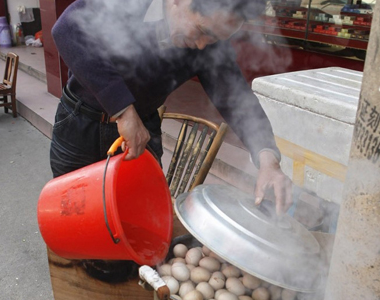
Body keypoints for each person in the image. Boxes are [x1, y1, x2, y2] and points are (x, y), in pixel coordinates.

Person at [50, 0, 293, 281]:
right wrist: (123, 111)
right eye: (202, 31)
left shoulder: (206, 42)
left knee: (137, 230)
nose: (203, 46)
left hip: (140, 135)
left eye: (214, 39)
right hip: (81, 124)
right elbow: (66, 29)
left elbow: (235, 95)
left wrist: (268, 159)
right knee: (76, 225)